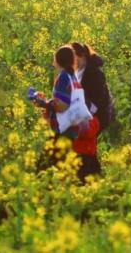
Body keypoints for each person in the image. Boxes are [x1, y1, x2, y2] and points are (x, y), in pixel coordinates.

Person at [29, 45, 101, 182]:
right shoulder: (73, 77)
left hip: (64, 129)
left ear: (58, 60)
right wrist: (48, 102)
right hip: (72, 128)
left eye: (54, 59)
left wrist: (43, 103)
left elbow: (62, 106)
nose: (52, 62)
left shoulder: (63, 77)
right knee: (65, 165)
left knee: (47, 167)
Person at [71, 42, 115, 132]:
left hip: (97, 116)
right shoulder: (78, 71)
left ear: (82, 56)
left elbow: (99, 102)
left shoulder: (95, 73)